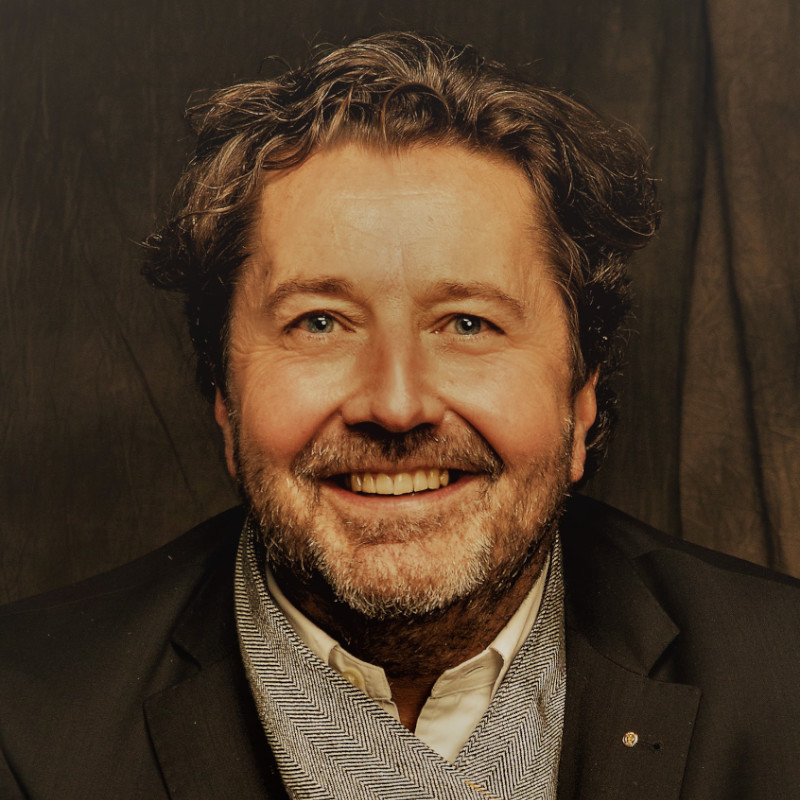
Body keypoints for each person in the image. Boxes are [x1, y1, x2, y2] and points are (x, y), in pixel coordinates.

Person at [1, 31, 799, 800]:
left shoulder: (783, 680)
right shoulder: (24, 723)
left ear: (580, 395)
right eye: (319, 322)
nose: (395, 404)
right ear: (223, 393)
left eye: (468, 324)